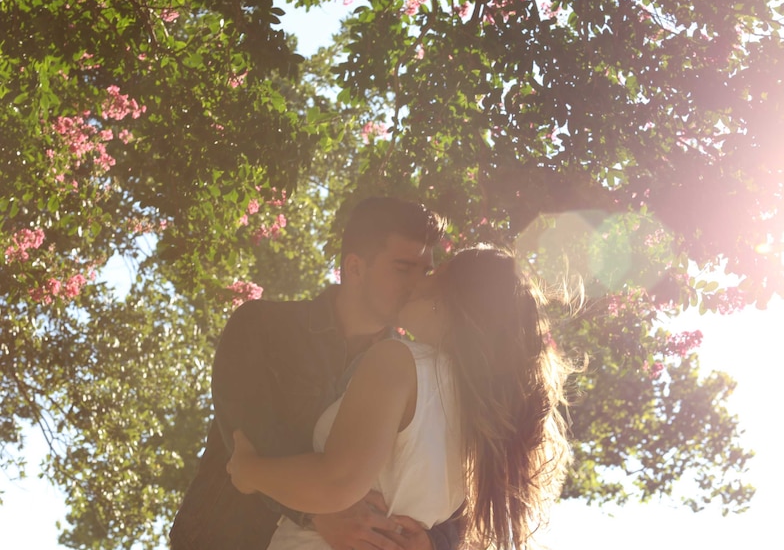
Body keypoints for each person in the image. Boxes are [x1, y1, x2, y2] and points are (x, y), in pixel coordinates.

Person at [226, 246, 572, 550]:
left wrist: (249, 471)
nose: (415, 284)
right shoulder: (485, 418)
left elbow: (338, 483)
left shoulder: (399, 362)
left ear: (450, 298)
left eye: (432, 274)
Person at [169, 197, 458, 550]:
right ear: (354, 268)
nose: (417, 285)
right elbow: (250, 441)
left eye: (425, 272)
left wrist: (434, 542)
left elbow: (462, 475)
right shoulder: (261, 326)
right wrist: (318, 512)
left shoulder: (419, 373)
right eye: (402, 269)